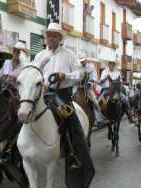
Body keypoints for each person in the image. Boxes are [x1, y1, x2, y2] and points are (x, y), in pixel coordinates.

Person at [33, 22, 94, 187]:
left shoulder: (69, 54)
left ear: (60, 38)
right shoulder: (39, 56)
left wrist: (64, 75)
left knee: (72, 121)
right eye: (49, 35)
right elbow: (33, 74)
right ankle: (14, 153)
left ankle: (76, 156)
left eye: (55, 35)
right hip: (41, 94)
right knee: (22, 116)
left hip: (61, 95)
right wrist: (40, 83)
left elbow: (80, 74)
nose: (51, 38)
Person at [77, 52, 108, 126]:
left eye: (83, 61)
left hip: (88, 88)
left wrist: (91, 80)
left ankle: (99, 119)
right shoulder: (78, 67)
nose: (82, 62)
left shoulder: (91, 67)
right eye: (81, 61)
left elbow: (95, 77)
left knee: (95, 102)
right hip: (78, 88)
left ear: (86, 60)